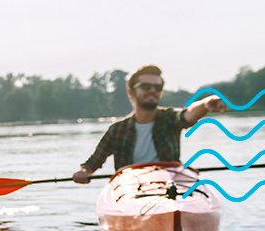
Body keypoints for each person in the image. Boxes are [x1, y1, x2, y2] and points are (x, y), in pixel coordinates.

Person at [72, 65, 228, 183]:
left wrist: (206, 104)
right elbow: (92, 163)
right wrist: (83, 171)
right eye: (146, 87)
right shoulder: (117, 130)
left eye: (157, 87)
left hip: (169, 184)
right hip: (131, 188)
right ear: (131, 92)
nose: (152, 90)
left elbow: (188, 114)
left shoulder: (169, 118)